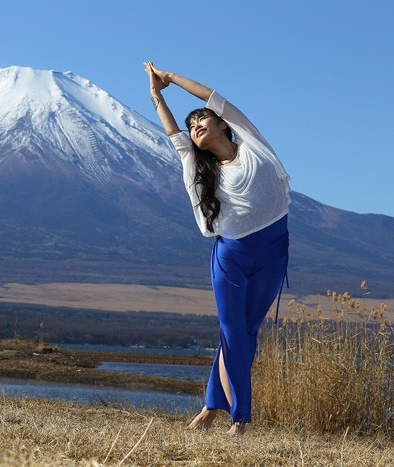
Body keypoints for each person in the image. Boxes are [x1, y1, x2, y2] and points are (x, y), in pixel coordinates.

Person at [143, 61, 290, 435]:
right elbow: (173, 132)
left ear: (223, 123)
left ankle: (210, 409)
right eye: (191, 127)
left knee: (247, 332)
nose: (195, 127)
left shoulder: (252, 141)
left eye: (201, 121)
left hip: (273, 251)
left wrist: (171, 78)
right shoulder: (198, 165)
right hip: (231, 256)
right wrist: (157, 97)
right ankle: (240, 419)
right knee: (231, 331)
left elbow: (211, 97)